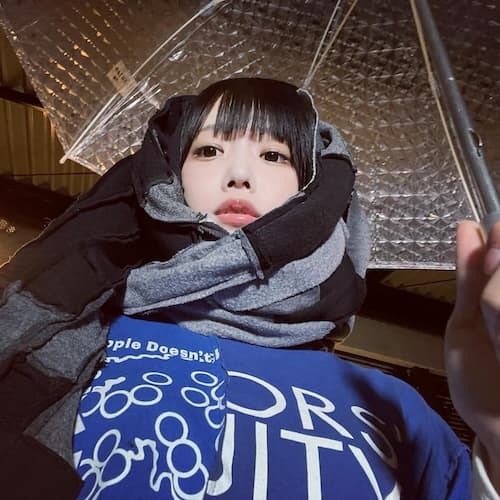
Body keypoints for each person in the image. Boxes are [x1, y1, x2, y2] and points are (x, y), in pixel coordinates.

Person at [0, 77, 498, 499]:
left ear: (313, 188)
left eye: (274, 155)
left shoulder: (391, 403)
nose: (239, 174)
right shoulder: (60, 335)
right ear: (170, 175)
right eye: (209, 150)